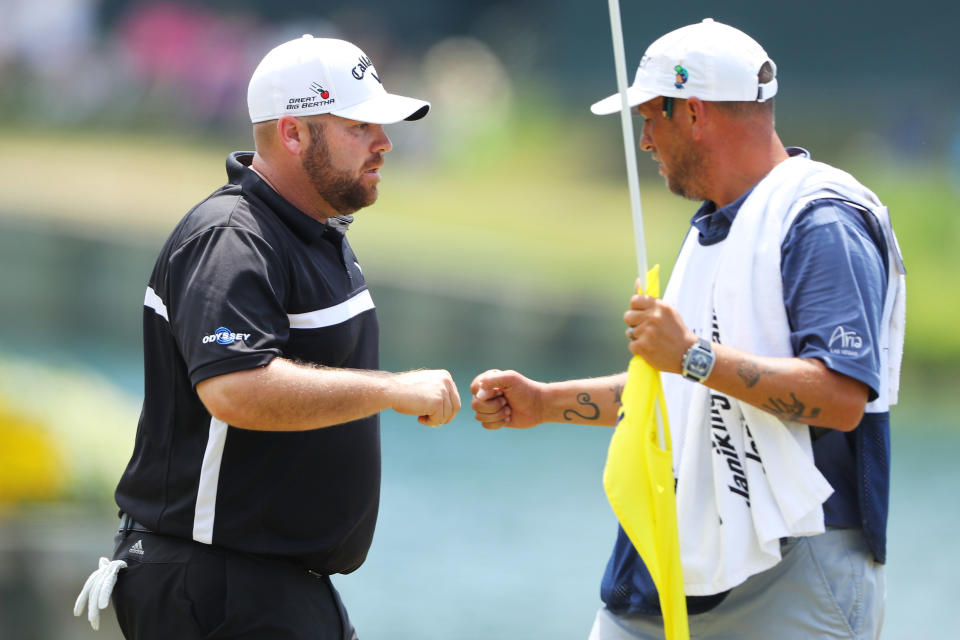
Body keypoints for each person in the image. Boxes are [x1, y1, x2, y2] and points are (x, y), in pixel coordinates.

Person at [471, 18, 904, 640]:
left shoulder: (820, 220)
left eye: (651, 117)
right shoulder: (719, 224)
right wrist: (544, 403)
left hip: (797, 572)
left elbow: (839, 400)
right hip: (670, 569)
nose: (645, 140)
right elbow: (684, 394)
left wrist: (694, 355)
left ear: (694, 114)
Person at [73, 35, 461, 639]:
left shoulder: (310, 230)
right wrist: (389, 389)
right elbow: (235, 388)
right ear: (292, 133)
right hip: (216, 586)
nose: (384, 143)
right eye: (360, 126)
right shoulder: (231, 237)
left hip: (269, 588)